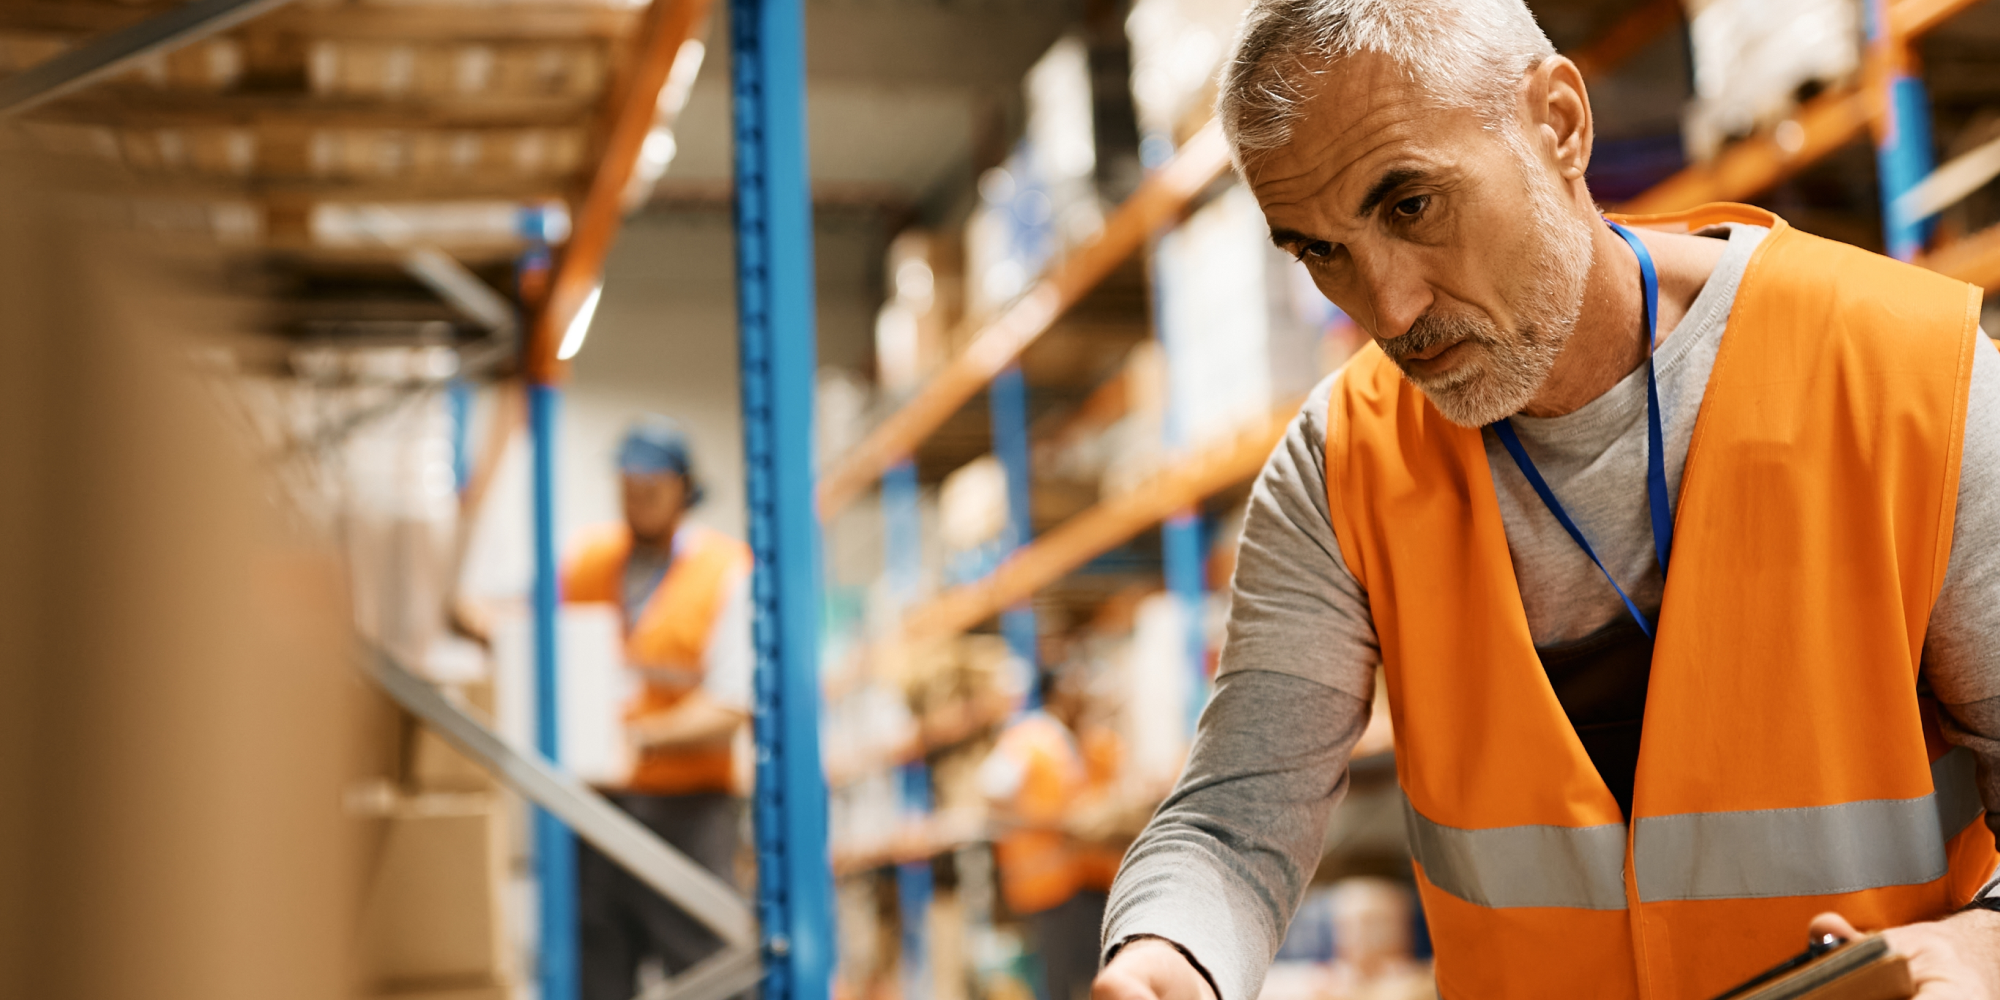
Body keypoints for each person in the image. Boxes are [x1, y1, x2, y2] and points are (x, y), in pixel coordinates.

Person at [1091, 2, 2000, 998]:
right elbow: (1233, 819)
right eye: (1319, 250)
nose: (1387, 311)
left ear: (1557, 123)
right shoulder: (1340, 466)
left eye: (1409, 207)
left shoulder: (1909, 378)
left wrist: (1971, 946)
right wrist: (1163, 954)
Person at [562, 415, 755, 1000]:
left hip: (689, 814)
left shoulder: (725, 571)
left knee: (709, 974)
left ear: (683, 489)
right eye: (627, 485)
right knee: (597, 973)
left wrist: (637, 738)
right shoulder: (585, 562)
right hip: (597, 810)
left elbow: (731, 706)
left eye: (651, 487)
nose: (636, 499)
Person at [982, 672, 1104, 1000]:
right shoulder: (1031, 737)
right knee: (1058, 981)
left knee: (1073, 975)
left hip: (1064, 880)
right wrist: (1046, 823)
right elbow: (991, 794)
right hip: (1041, 883)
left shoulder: (1060, 738)